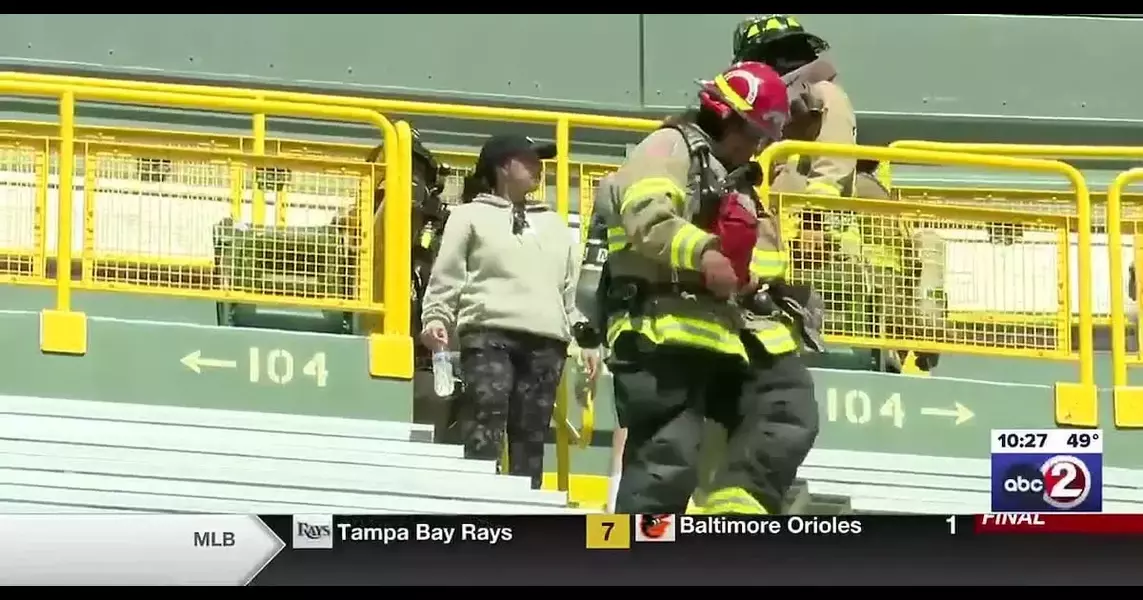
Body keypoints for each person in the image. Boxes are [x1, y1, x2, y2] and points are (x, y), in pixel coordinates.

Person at [598, 61, 818, 515]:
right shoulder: (668, 147)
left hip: (723, 330)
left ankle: (733, 519)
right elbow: (647, 215)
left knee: (787, 409)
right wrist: (705, 255)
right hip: (660, 329)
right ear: (724, 116)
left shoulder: (731, 175)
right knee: (667, 457)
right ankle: (624, 556)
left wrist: (756, 278)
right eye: (755, 133)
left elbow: (750, 253)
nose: (759, 147)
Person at [732, 13, 940, 374]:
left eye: (791, 53)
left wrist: (814, 220)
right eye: (780, 54)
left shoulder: (823, 98)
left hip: (822, 249)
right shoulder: (759, 124)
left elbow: (832, 165)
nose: (789, 63)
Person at [419, 134, 600, 489]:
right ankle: (479, 512)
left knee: (531, 435)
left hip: (548, 342)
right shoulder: (468, 216)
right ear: (503, 167)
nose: (538, 167)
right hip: (489, 334)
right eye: (528, 160)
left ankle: (523, 521)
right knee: (486, 421)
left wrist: (586, 340)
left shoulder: (556, 225)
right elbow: (448, 274)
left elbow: (569, 292)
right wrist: (436, 317)